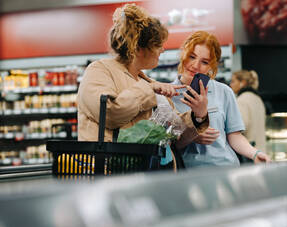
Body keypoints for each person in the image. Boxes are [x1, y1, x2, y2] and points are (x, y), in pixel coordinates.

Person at [77, 4, 209, 168]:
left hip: (151, 173)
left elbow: (177, 135)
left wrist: (198, 116)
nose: (162, 50)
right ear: (138, 48)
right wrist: (149, 90)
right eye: (158, 45)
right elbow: (110, 112)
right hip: (112, 173)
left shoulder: (146, 81)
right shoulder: (100, 70)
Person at [171, 31, 271, 167]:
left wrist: (254, 153)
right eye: (191, 56)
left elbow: (234, 136)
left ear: (212, 66)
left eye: (204, 62)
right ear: (183, 54)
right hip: (189, 174)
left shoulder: (224, 91)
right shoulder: (168, 94)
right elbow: (170, 144)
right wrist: (193, 134)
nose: (195, 65)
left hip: (226, 169)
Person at [230, 70, 267, 154]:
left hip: (250, 152)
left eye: (233, 81)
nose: (230, 85)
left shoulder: (241, 100)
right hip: (260, 150)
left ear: (242, 82)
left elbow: (240, 128)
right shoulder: (257, 98)